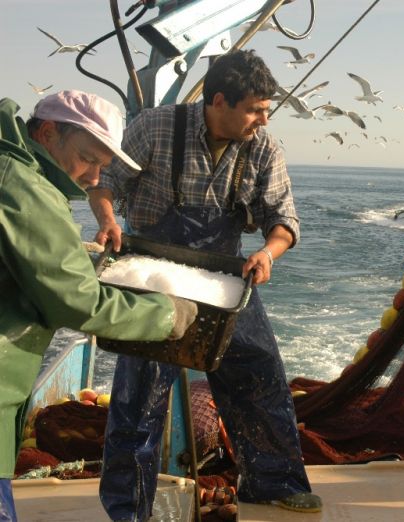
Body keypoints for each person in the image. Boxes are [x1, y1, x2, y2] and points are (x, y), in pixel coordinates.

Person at [88, 49, 321, 519]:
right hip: (153, 277)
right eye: (254, 109)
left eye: (266, 110)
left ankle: (272, 481)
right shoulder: (155, 126)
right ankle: (128, 505)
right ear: (219, 101)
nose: (262, 120)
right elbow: (103, 180)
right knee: (140, 396)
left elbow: (284, 220)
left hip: (222, 280)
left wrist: (267, 253)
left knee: (260, 375)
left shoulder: (263, 148)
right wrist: (109, 220)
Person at [0, 90, 198, 521]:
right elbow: (75, 302)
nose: (93, 179)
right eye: (88, 159)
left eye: (102, 169)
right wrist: (168, 313)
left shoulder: (13, 168)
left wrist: (78, 262)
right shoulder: (24, 187)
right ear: (49, 132)